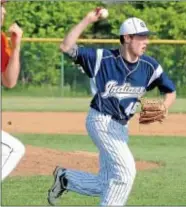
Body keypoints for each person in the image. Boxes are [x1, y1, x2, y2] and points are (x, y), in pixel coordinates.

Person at [48, 8, 176, 206]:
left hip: (121, 128)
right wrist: (88, 19)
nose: (146, 42)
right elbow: (66, 47)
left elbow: (170, 90)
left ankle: (66, 178)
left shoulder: (149, 66)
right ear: (126, 38)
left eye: (146, 37)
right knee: (126, 172)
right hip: (100, 120)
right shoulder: (103, 58)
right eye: (141, 37)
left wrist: (164, 106)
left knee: (107, 182)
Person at [1, 0, 25, 181]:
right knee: (13, 149)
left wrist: (16, 46)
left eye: (3, 6)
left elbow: (9, 81)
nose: (3, 11)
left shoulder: (1, 40)